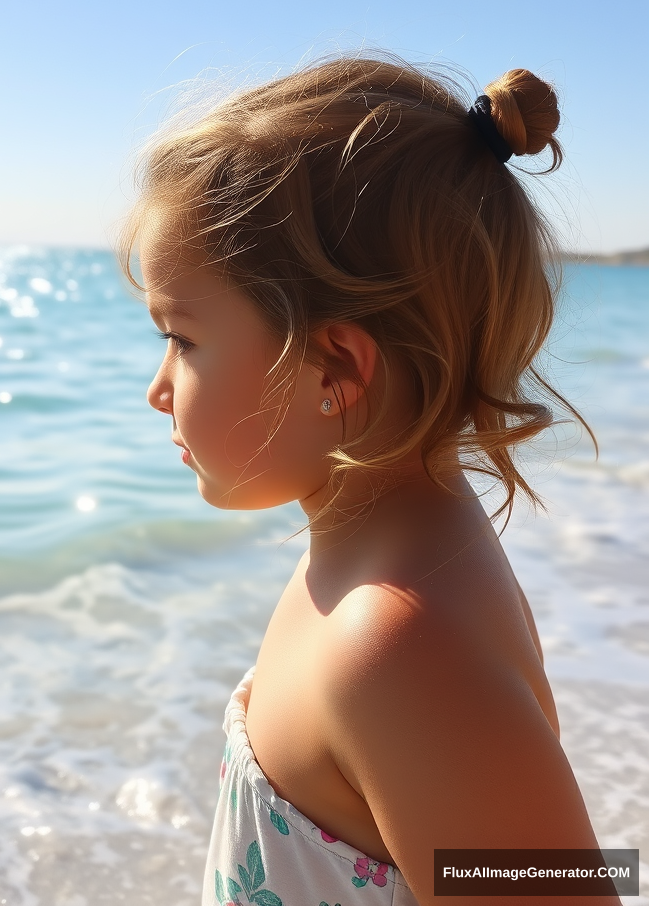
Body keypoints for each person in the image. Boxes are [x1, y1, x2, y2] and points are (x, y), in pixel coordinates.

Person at [121, 57, 617, 906]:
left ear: (333, 367)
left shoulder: (397, 651)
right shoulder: (377, 565)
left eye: (184, 339)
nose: (158, 388)